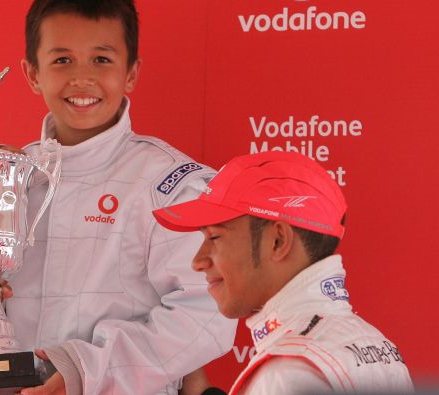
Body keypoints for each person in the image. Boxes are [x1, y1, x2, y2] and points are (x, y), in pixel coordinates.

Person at [0, 1, 238, 394]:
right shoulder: (7, 178)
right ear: (32, 74)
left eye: (101, 59)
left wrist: (84, 370)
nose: (82, 78)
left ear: (131, 72)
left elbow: (206, 315)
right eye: (63, 60)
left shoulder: (170, 184)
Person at [153, 151, 414, 394]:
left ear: (278, 241)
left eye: (216, 237)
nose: (198, 262)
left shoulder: (288, 373)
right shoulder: (375, 344)